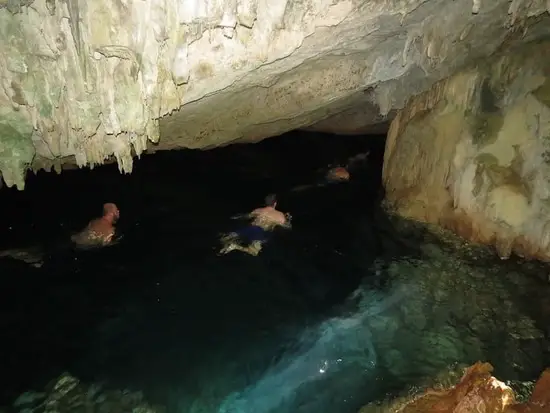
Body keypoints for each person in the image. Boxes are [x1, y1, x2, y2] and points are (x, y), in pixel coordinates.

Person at [219, 195, 291, 256]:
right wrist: (288, 218)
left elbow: (247, 216)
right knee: (254, 252)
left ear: (266, 202)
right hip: (260, 232)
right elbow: (287, 226)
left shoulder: (258, 210)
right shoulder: (280, 215)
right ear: (275, 203)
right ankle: (235, 246)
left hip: (249, 228)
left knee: (225, 238)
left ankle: (224, 246)